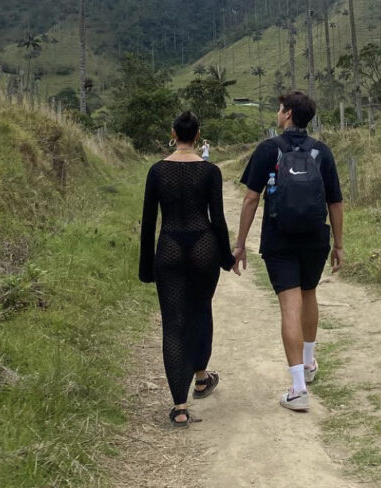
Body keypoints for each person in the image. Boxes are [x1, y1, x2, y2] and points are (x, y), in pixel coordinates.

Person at [233, 90, 343, 412]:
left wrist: (240, 245)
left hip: (279, 240)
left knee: (289, 306)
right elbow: (335, 202)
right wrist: (338, 245)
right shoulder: (322, 152)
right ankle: (308, 365)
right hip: (314, 239)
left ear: (289, 115)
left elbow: (251, 198)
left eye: (281, 110)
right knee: (309, 294)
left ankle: (298, 389)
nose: (278, 114)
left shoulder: (269, 149)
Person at [139, 111, 237, 425]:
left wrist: (145, 267)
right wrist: (226, 258)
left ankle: (180, 408)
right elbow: (218, 219)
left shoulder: (157, 171)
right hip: (203, 245)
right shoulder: (210, 171)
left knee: (173, 322)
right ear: (197, 135)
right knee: (200, 310)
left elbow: (149, 222)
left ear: (173, 132)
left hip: (168, 245)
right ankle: (201, 378)